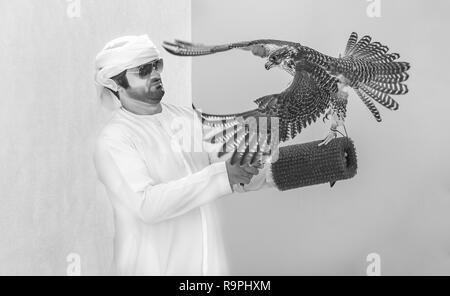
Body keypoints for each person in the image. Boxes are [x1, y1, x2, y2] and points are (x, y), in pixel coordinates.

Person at [93, 35, 275, 276]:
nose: (155, 74)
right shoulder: (114, 139)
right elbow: (147, 205)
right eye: (143, 70)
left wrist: (295, 166)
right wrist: (222, 176)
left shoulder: (186, 119)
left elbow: (232, 169)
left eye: (156, 65)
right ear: (116, 84)